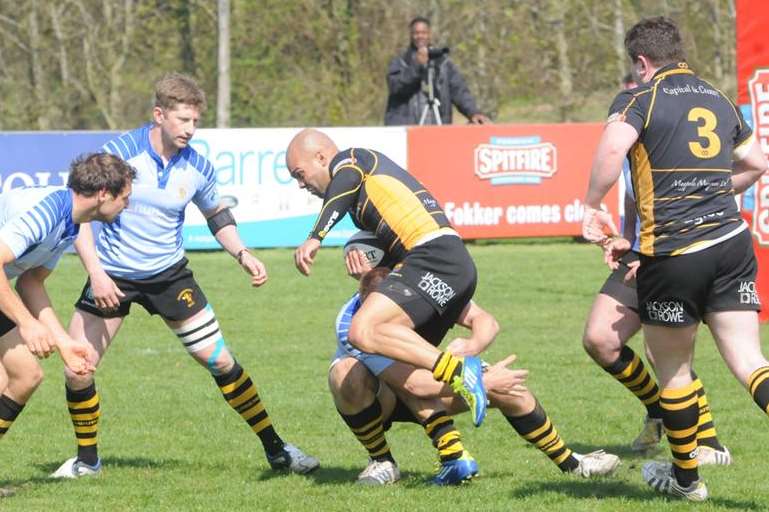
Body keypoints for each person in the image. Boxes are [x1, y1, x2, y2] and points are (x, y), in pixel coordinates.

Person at [51, 73, 318, 478]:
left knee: (221, 360)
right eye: (183, 120)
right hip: (113, 277)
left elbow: (216, 214)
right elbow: (81, 214)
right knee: (77, 367)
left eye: (195, 122)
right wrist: (96, 272)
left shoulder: (198, 166)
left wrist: (242, 253)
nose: (191, 130)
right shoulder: (119, 154)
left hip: (170, 277)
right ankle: (88, 461)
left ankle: (278, 450)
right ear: (159, 115)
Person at [582, 17, 769, 501]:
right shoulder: (717, 97)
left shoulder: (638, 98)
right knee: (751, 362)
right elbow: (756, 163)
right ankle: (693, 462)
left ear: (641, 62)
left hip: (675, 251)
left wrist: (588, 205)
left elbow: (611, 149)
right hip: (730, 242)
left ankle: (688, 481)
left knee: (674, 371)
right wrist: (710, 193)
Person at [330, 253, 620, 486]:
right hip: (384, 398)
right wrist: (482, 379)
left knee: (513, 390)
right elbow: (415, 385)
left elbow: (487, 322)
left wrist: (472, 345)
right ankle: (382, 461)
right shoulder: (353, 324)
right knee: (345, 372)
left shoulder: (417, 294)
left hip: (427, 378)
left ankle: (573, 464)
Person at [288, 129, 490, 429]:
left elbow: (345, 181)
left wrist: (316, 236)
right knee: (398, 360)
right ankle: (454, 455)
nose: (301, 184)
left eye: (300, 174)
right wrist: (369, 275)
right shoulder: (364, 202)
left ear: (321, 157)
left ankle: (462, 373)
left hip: (433, 255)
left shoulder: (353, 160)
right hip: (446, 261)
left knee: (363, 330)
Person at [581, 73, 731, 465]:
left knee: (662, 347)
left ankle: (709, 440)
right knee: (599, 339)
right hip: (642, 250)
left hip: (675, 250)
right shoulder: (636, 146)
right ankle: (660, 409)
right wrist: (624, 240)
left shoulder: (673, 138)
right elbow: (636, 204)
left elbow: (742, 171)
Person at [0, 153, 133, 453]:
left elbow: (31, 282)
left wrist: (63, 343)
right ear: (102, 194)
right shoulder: (47, 211)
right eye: (124, 197)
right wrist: (28, 324)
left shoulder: (69, 223)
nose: (128, 204)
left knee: (22, 376)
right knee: (21, 375)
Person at [384, 16, 490, 126]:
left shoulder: (443, 63)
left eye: (424, 33)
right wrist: (417, 66)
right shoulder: (400, 62)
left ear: (429, 34)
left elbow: (459, 91)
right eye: (416, 33)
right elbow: (396, 87)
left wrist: (473, 113)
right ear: (411, 35)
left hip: (436, 125)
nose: (420, 36)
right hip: (407, 129)